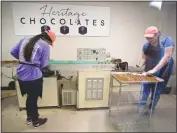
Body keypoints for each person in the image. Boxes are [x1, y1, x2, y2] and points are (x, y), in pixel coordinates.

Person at [11, 30, 56, 127]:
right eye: (50, 42)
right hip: (33, 75)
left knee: (29, 97)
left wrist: (24, 61)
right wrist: (35, 63)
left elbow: (13, 51)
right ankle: (35, 121)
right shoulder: (44, 45)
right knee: (33, 99)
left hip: (21, 73)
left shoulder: (25, 38)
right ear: (48, 40)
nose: (49, 44)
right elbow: (44, 64)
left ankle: (29, 118)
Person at [137, 26, 175, 116]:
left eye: (150, 37)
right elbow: (143, 58)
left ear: (157, 34)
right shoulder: (146, 45)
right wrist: (138, 66)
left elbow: (167, 57)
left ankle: (151, 109)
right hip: (149, 69)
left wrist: (154, 70)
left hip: (163, 70)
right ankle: (141, 107)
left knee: (156, 91)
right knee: (145, 88)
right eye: (147, 37)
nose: (148, 39)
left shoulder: (166, 41)